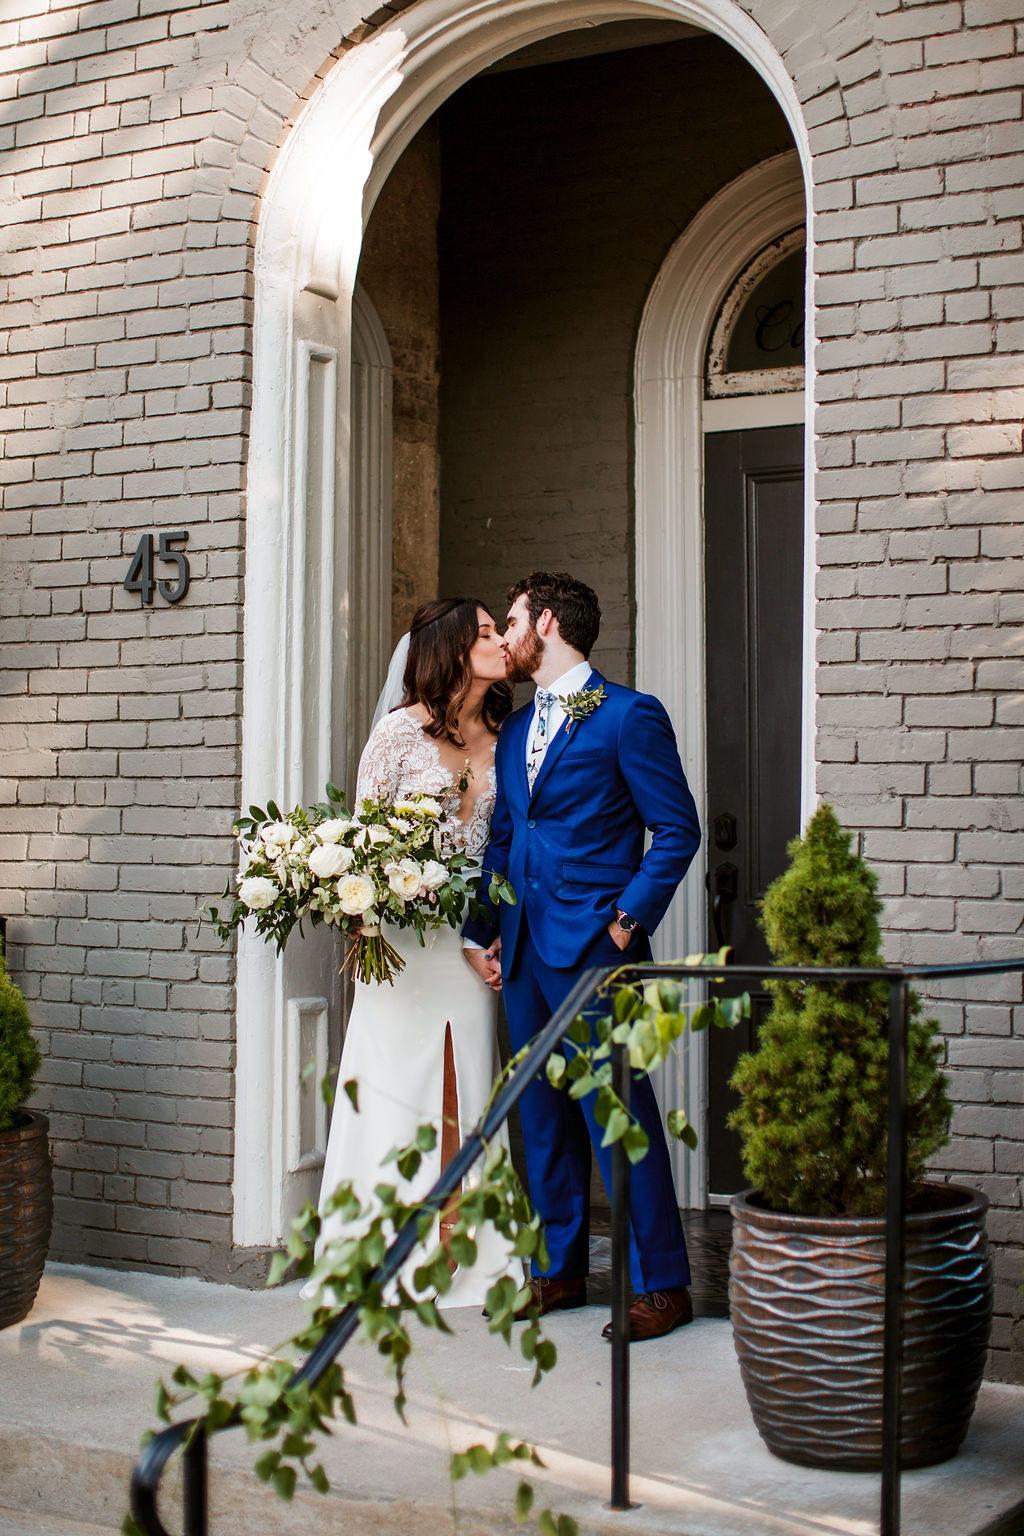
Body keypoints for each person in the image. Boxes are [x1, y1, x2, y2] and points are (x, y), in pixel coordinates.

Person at [464, 572, 701, 1342]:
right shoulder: (519, 725)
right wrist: (484, 926)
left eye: (510, 619)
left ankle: (663, 1283)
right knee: (542, 1117)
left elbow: (676, 831)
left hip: (598, 949)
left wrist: (625, 924)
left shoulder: (631, 717)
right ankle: (557, 1270)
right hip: (526, 950)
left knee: (617, 1113)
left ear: (550, 622)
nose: (502, 636)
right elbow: (508, 837)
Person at [306, 598, 513, 1309]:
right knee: (395, 1084)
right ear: (453, 649)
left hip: (466, 943)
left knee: (469, 1085)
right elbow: (362, 845)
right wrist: (373, 917)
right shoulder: (396, 736)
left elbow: (507, 853)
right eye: (485, 633)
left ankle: (470, 1251)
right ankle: (380, 1249)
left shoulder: (507, 737)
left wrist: (484, 931)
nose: (499, 641)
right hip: (401, 942)